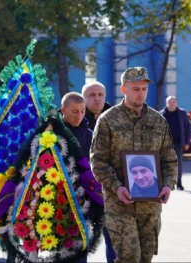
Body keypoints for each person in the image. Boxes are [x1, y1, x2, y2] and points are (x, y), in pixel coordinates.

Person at [90, 66, 178, 263]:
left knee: (145, 258)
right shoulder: (108, 120)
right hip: (120, 203)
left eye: (144, 89)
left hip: (151, 206)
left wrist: (167, 184)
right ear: (124, 89)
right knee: (129, 257)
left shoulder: (158, 121)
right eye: (135, 89)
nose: (141, 93)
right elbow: (98, 160)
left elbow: (168, 158)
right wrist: (116, 186)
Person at [81, 82, 117, 263]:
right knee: (80, 242)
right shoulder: (75, 119)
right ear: (83, 98)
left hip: (110, 191)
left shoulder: (117, 118)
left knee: (114, 240)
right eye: (92, 95)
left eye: (100, 94)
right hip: (82, 192)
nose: (97, 98)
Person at [160, 96, 190, 190]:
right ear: (166, 103)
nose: (172, 103)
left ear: (176, 103)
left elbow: (187, 128)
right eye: (170, 102)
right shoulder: (161, 114)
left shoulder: (182, 113)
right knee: (163, 163)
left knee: (178, 164)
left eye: (173, 101)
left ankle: (179, 183)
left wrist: (187, 142)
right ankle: (164, 184)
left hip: (178, 143)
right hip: (165, 144)